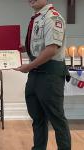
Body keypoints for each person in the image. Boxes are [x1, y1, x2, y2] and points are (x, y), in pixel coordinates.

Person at [15, 0, 71, 150]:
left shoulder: (53, 18)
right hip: (35, 74)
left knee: (57, 119)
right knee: (37, 118)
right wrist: (24, 49)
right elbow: (40, 46)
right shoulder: (38, 18)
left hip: (50, 75)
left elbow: (51, 49)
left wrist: (29, 66)